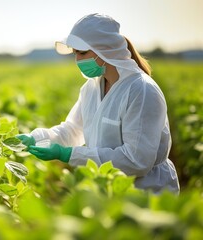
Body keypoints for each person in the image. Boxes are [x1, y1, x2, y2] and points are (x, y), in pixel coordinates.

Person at [17, 13, 179, 193]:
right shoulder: (91, 88)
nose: (77, 60)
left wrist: (69, 154)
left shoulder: (141, 90)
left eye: (82, 52)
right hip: (107, 190)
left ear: (105, 49)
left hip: (146, 193)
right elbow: (73, 130)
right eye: (75, 53)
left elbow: (137, 160)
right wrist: (37, 138)